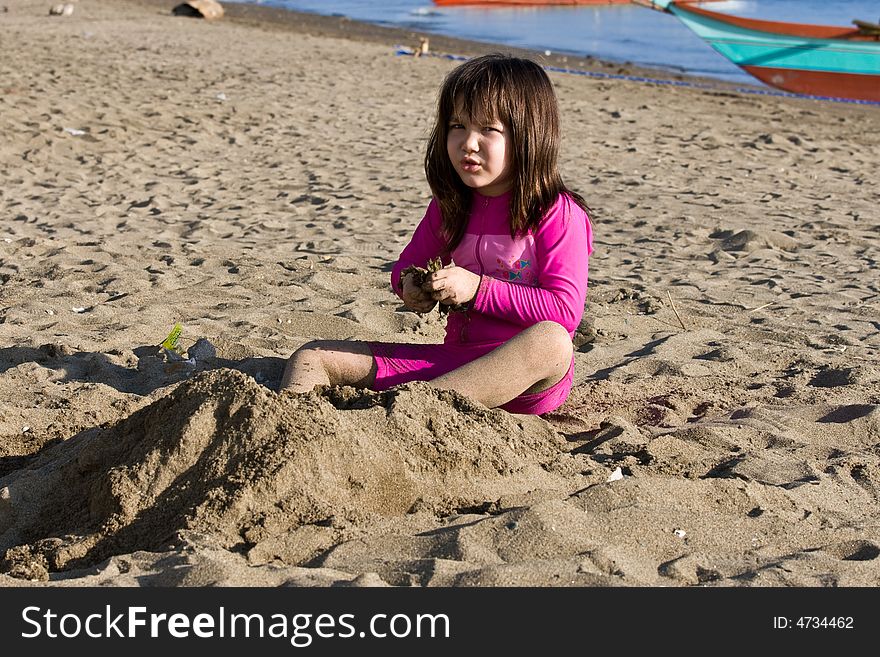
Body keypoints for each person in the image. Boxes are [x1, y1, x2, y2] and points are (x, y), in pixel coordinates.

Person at [280, 53, 594, 415]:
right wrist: (410, 284)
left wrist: (477, 289)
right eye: (457, 125)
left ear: (528, 135)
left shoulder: (557, 212)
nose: (468, 142)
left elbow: (565, 310)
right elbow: (407, 266)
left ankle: (409, 411)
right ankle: (290, 432)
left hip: (522, 377)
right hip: (453, 365)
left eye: (488, 129)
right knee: (313, 355)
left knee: (553, 341)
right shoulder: (450, 206)